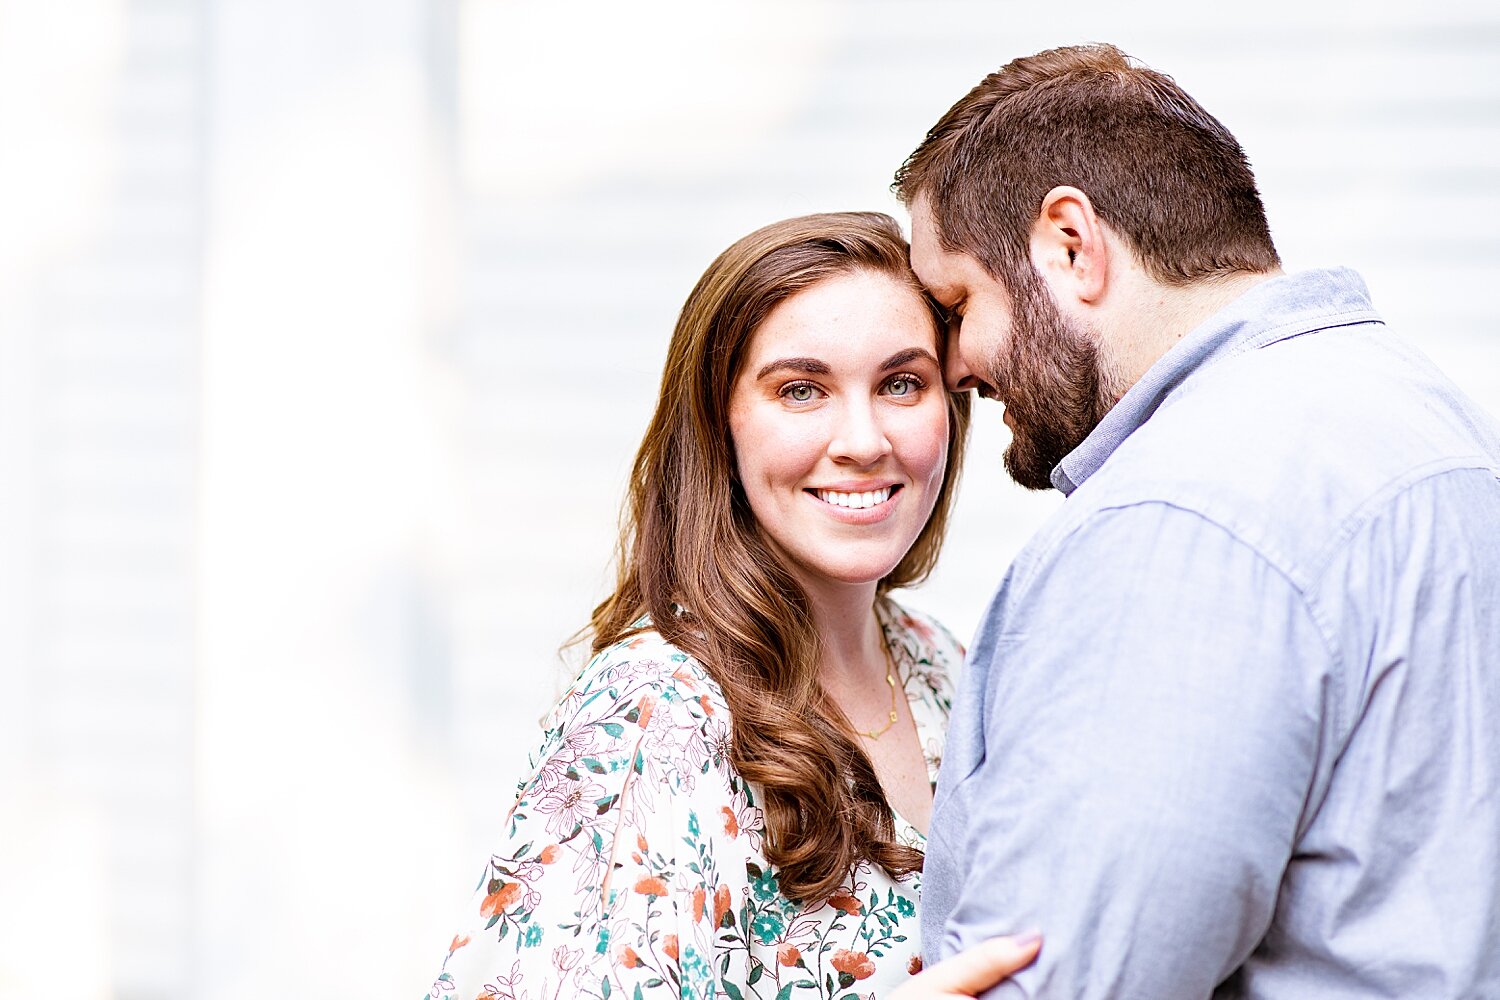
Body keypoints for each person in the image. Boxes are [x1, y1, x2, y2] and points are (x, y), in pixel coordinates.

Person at [896, 42, 1500, 998]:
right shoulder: (1431, 423)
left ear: (1069, 244)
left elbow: (1065, 983)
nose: (958, 366)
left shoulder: (1176, 520)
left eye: (957, 301)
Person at [423, 212, 1039, 1000]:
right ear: (722, 426)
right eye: (801, 390)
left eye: (901, 383)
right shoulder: (653, 712)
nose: (863, 439)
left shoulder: (948, 667)